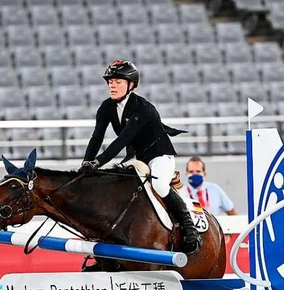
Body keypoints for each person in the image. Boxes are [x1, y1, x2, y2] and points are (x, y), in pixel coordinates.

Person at [78, 60, 202, 255]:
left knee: (160, 186)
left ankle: (189, 228)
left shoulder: (143, 108)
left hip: (159, 155)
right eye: (110, 81)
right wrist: (85, 163)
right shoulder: (106, 107)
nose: (112, 85)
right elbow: (97, 137)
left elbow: (122, 140)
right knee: (119, 185)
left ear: (131, 85)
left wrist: (98, 162)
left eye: (118, 81)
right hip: (136, 156)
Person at [185, 156, 236, 290]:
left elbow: (232, 212)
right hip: (190, 251)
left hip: (214, 250)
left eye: (198, 171)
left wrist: (228, 235)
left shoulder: (215, 191)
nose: (194, 175)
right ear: (186, 173)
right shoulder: (181, 193)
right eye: (191, 172)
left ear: (204, 173)